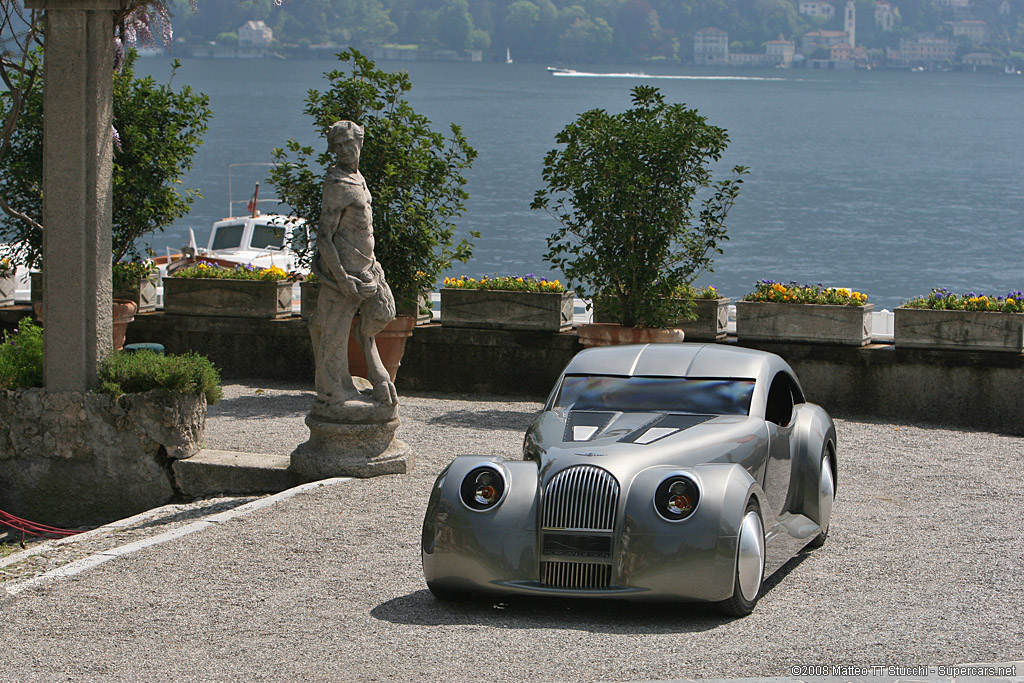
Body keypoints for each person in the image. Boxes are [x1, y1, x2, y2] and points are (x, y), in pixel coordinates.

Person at [308, 120, 397, 408]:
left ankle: (371, 365)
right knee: (333, 334)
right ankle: (335, 392)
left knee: (384, 312)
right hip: (344, 271)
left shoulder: (357, 177)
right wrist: (341, 277)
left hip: (367, 266)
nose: (346, 149)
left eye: (350, 142)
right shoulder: (337, 182)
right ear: (333, 149)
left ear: (360, 142)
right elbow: (324, 237)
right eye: (339, 145)